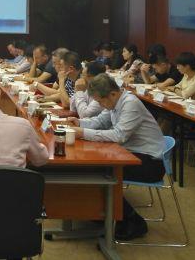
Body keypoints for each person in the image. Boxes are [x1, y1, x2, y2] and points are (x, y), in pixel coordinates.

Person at [67, 74, 164, 241]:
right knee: (93, 166)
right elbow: (100, 122)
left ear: (112, 94)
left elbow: (119, 136)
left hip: (149, 162)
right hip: (130, 154)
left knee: (101, 171)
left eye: (101, 101)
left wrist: (82, 133)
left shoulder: (130, 103)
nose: (101, 105)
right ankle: (102, 214)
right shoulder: (114, 102)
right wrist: (80, 123)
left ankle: (132, 222)